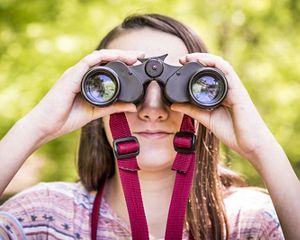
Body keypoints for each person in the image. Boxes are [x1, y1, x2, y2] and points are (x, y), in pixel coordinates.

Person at [0, 13, 299, 240]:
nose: (153, 110)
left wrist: (259, 147)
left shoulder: (250, 221)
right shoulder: (43, 217)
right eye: (129, 87)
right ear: (98, 100)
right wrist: (36, 127)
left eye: (176, 87)